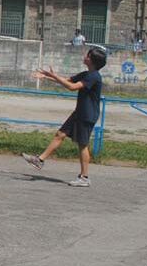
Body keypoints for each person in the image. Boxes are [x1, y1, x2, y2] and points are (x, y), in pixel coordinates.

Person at [23, 47, 106, 187]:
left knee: (82, 145)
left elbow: (72, 87)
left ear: (92, 60)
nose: (85, 56)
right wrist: (47, 77)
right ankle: (40, 160)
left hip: (87, 115)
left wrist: (53, 76)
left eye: (88, 55)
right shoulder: (87, 73)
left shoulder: (94, 76)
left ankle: (84, 177)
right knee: (60, 134)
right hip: (79, 112)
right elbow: (67, 80)